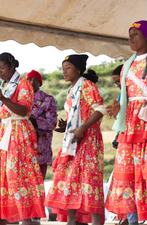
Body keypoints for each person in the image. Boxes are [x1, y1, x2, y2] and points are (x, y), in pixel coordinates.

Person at [0, 52, 46, 225]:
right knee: (0, 174)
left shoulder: (24, 84)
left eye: (2, 67)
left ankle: (26, 218)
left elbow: (23, 111)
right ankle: (0, 217)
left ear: (12, 66)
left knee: (19, 174)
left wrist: (3, 99)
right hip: (4, 131)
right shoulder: (6, 84)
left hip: (19, 131)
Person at [44, 54, 106, 225]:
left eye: (68, 68)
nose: (64, 72)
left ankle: (95, 222)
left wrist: (82, 127)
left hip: (88, 140)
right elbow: (76, 115)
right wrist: (68, 127)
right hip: (74, 140)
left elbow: (100, 110)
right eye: (63, 69)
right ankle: (71, 221)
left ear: (78, 69)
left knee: (89, 180)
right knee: (70, 180)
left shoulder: (87, 86)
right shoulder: (72, 89)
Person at [104, 20, 147, 225]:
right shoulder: (126, 66)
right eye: (129, 34)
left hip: (145, 123)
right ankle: (132, 220)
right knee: (128, 174)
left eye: (136, 34)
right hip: (130, 125)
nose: (131, 37)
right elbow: (126, 97)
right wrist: (118, 108)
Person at [26, 70, 57, 179]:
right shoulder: (20, 99)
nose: (32, 82)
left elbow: (52, 123)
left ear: (40, 83)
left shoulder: (48, 99)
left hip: (40, 148)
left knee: (37, 185)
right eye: (29, 79)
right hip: (23, 148)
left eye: (35, 80)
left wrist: (34, 121)